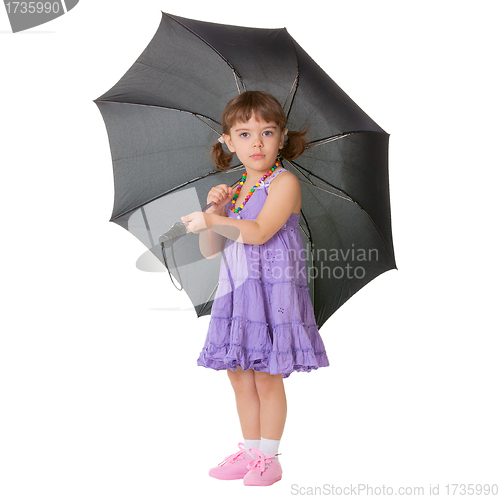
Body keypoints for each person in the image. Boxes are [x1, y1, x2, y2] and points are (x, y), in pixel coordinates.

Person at [181, 91, 329, 487]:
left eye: (267, 132)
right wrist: (218, 212)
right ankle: (250, 450)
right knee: (238, 372)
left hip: (275, 293)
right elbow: (212, 251)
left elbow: (261, 232)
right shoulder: (237, 187)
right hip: (239, 293)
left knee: (266, 375)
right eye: (244, 134)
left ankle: (269, 457)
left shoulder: (285, 183)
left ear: (282, 138)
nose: (257, 142)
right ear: (228, 142)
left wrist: (214, 222)